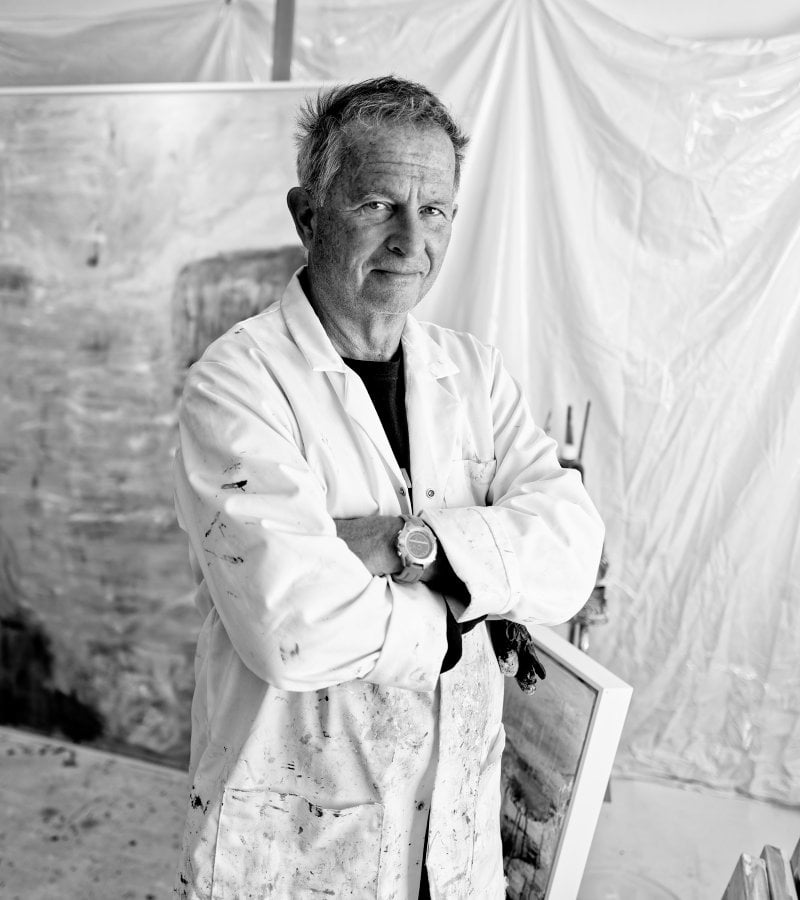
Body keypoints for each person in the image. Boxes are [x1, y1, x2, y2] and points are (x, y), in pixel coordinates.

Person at [171, 75, 604, 899]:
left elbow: (572, 552)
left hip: (453, 832)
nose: (412, 239)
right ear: (307, 215)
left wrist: (408, 545)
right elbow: (291, 623)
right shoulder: (239, 384)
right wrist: (473, 592)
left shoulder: (472, 373)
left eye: (433, 209)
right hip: (298, 842)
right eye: (377, 205)